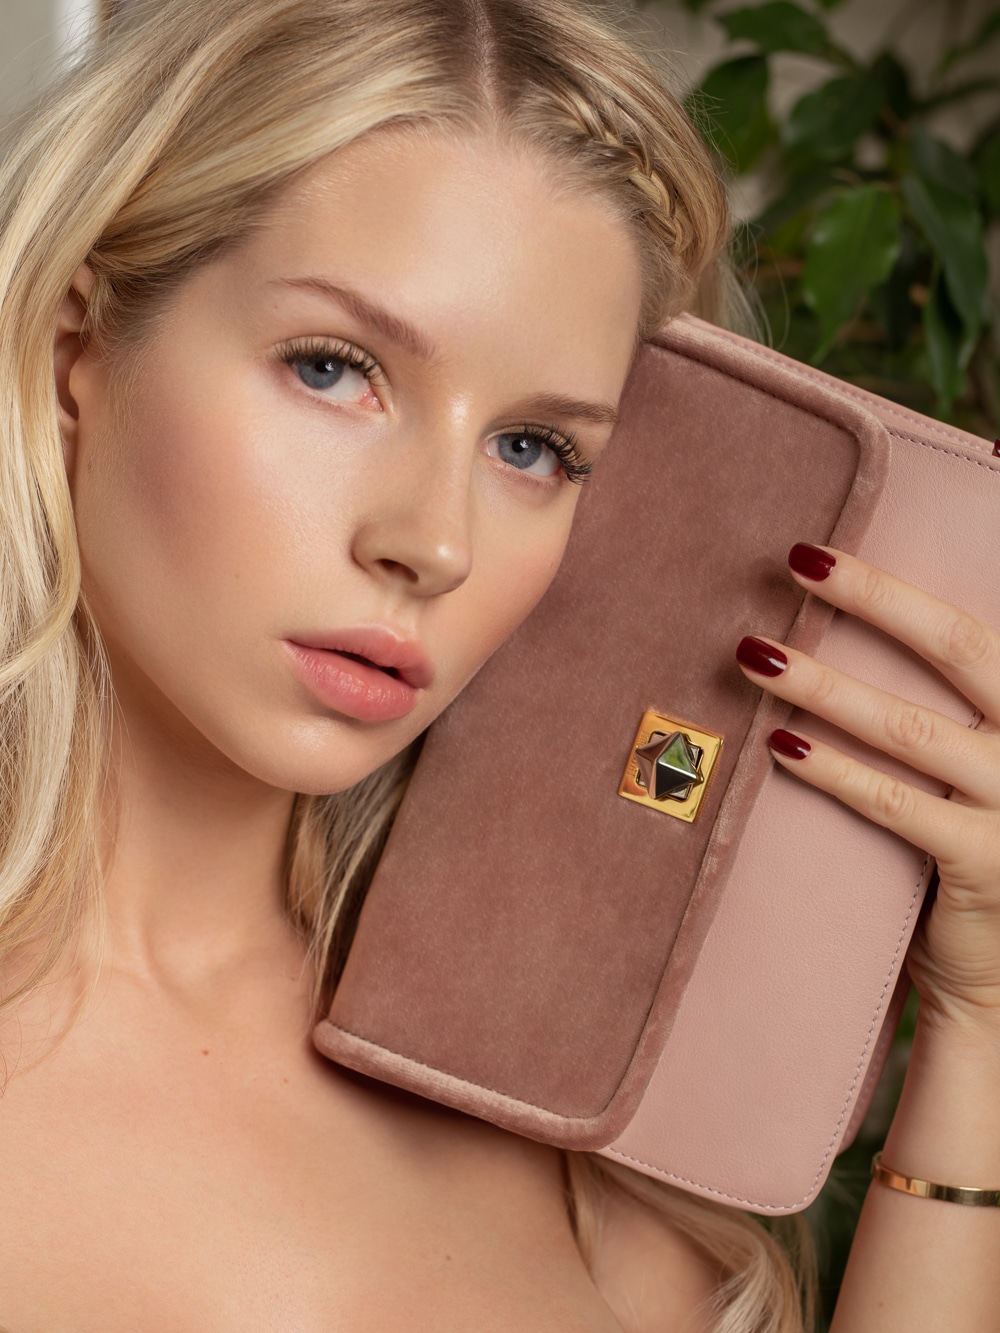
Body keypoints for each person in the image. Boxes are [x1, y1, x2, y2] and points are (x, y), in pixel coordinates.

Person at [0, 0, 998, 1328]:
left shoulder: (558, 1092)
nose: (434, 542)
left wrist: (981, 1032)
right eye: (334, 369)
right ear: (76, 346)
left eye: (535, 449)